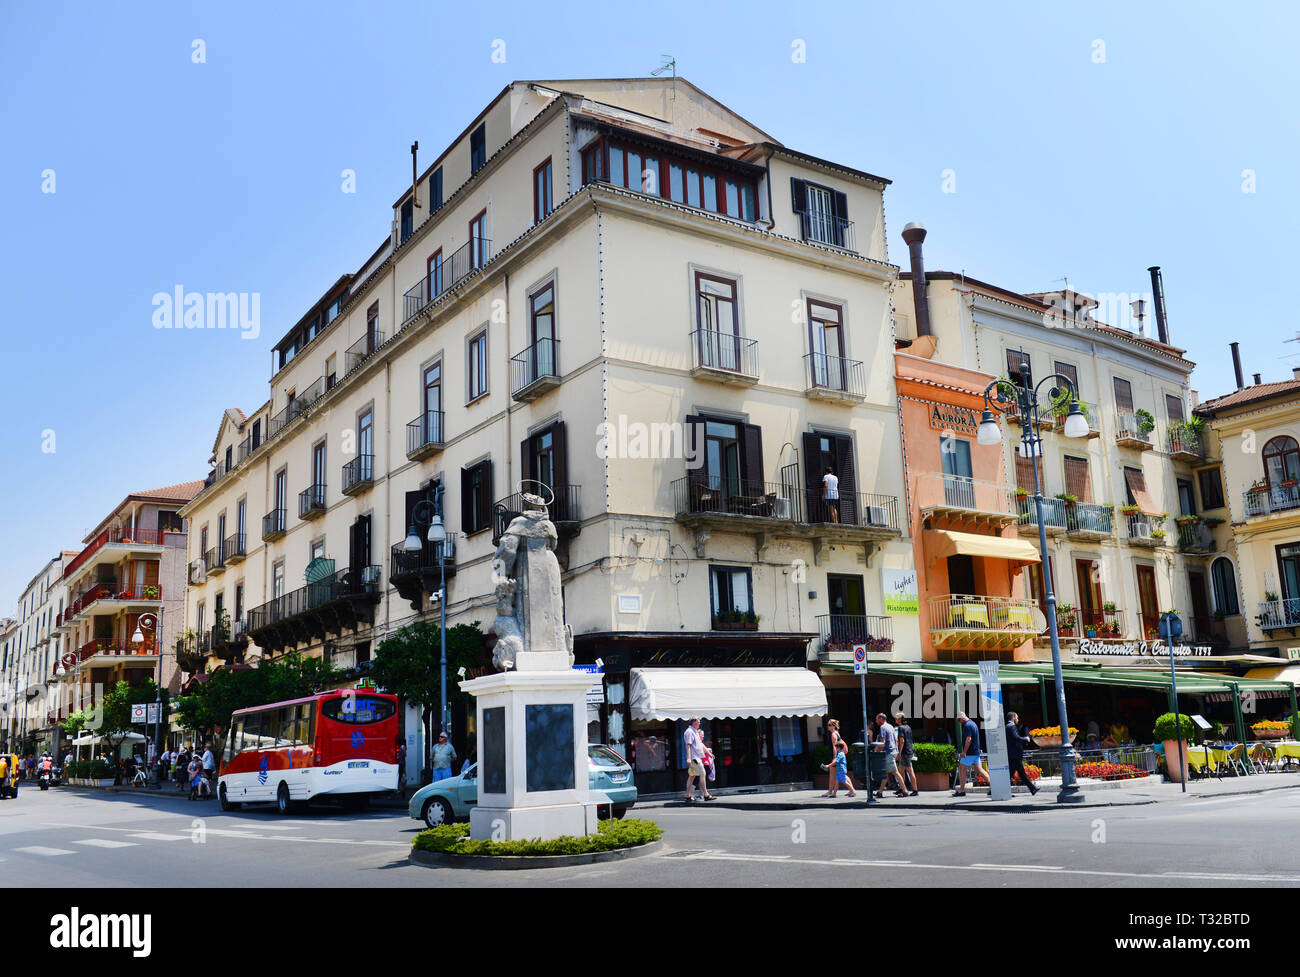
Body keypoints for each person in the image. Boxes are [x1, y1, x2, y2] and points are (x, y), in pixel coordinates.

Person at [953, 710, 989, 796]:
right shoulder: (973, 724)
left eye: (959, 720)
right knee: (980, 770)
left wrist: (964, 752)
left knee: (962, 770)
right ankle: (993, 788)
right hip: (975, 752)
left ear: (962, 718)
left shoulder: (967, 726)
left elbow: (968, 739)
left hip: (969, 753)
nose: (959, 722)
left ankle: (961, 791)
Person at [872, 713, 908, 798]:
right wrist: (897, 751)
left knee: (895, 772)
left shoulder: (882, 727)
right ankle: (880, 792)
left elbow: (883, 742)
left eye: (877, 719)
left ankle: (905, 791)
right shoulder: (890, 726)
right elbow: (896, 739)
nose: (876, 721)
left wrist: (878, 751)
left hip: (889, 752)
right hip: (893, 751)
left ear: (881, 719)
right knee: (886, 772)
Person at [1005, 712, 1039, 796]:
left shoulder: (1007, 726)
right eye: (1017, 718)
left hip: (1013, 754)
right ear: (1013, 718)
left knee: (1015, 773)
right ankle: (1032, 788)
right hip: (1015, 754)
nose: (1018, 719)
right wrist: (1025, 738)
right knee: (1021, 773)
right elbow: (1016, 737)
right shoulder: (1011, 726)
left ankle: (1032, 788)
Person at [682, 718, 715, 803]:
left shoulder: (695, 731)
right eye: (698, 722)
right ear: (694, 723)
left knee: (692, 776)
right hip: (694, 758)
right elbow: (688, 745)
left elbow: (700, 744)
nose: (699, 723)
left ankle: (687, 795)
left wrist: (709, 753)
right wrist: (688, 758)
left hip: (696, 757)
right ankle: (706, 795)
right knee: (702, 773)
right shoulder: (689, 732)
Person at [895, 712, 918, 796]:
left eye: (896, 718)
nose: (895, 719)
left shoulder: (900, 728)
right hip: (909, 750)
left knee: (909, 771)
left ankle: (915, 790)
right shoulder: (908, 727)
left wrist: (899, 753)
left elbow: (902, 741)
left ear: (900, 719)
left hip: (904, 752)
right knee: (901, 770)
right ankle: (902, 788)